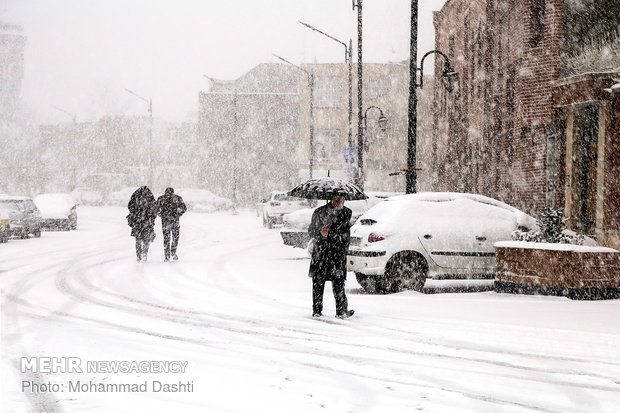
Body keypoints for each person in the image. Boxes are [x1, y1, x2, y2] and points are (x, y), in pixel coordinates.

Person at [307, 194, 355, 319]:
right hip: (321, 253)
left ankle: (341, 311)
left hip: (337, 253)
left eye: (342, 199)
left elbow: (344, 232)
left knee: (339, 283)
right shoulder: (319, 212)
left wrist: (341, 245)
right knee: (318, 282)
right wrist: (321, 234)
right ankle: (317, 310)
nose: (340, 202)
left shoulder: (346, 213)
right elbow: (311, 231)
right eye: (337, 199)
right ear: (331, 199)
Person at [127, 186, 158, 262]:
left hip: (137, 222)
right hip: (147, 222)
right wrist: (152, 218)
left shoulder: (135, 197)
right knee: (146, 240)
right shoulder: (150, 198)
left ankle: (139, 255)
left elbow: (130, 207)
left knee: (138, 239)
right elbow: (155, 209)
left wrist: (135, 214)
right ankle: (144, 253)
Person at [157, 187, 187, 261]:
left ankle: (167, 256)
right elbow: (184, 208)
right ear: (173, 192)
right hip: (175, 221)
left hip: (165, 222)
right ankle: (173, 252)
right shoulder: (178, 198)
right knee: (175, 238)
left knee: (166, 239)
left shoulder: (161, 199)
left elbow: (156, 209)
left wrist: (161, 214)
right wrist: (179, 213)